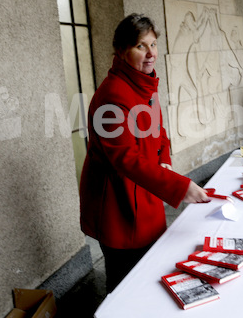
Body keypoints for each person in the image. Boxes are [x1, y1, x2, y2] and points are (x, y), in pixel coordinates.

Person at [79, 14, 210, 292]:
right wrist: (180, 186)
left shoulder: (145, 83)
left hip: (145, 192)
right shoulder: (113, 95)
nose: (151, 54)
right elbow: (125, 158)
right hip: (119, 202)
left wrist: (164, 160)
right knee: (125, 281)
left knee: (149, 270)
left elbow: (159, 133)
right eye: (141, 46)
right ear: (121, 51)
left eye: (153, 44)